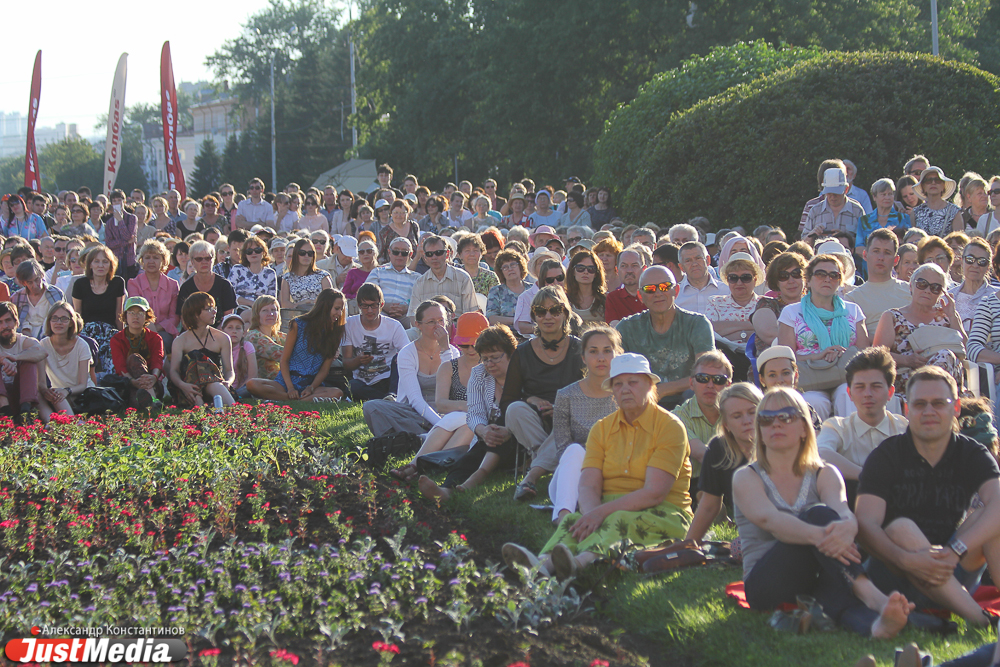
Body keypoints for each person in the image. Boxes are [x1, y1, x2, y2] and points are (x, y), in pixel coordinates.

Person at [733, 387, 916, 638]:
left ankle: (876, 628)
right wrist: (825, 537)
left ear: (804, 428)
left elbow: (843, 512)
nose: (775, 424)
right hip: (767, 585)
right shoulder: (746, 477)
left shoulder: (825, 473)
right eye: (766, 419)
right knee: (817, 515)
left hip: (819, 576)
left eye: (786, 416)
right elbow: (771, 521)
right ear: (760, 431)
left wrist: (848, 526)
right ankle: (873, 597)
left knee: (836, 586)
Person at [502, 353, 693, 581]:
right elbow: (588, 485)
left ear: (650, 386)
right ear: (612, 391)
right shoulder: (601, 428)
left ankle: (577, 564)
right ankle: (541, 565)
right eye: (618, 384)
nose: (625, 389)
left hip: (664, 510)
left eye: (633, 382)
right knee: (573, 521)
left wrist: (600, 514)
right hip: (610, 505)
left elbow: (655, 493)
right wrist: (592, 515)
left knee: (616, 520)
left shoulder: (670, 426)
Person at [857, 367, 1000, 627]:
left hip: (951, 569)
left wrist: (955, 550)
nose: (929, 411)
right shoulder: (886, 455)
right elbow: (866, 524)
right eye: (920, 404)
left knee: (990, 519)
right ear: (907, 410)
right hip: (896, 574)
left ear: (956, 407)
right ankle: (982, 621)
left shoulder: (972, 453)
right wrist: (905, 559)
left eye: (938, 403)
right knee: (901, 528)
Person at [416, 325, 519, 499]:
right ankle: (446, 490)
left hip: (517, 439)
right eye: (485, 359)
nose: (489, 364)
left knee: (503, 422)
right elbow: (474, 412)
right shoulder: (479, 373)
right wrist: (482, 430)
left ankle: (478, 476)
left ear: (511, 354)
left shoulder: (522, 373)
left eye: (495, 358)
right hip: (488, 439)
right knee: (470, 458)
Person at [503, 287, 586, 501]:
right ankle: (553, 460)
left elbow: (591, 393)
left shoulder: (580, 350)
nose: (548, 316)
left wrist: (561, 408)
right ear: (534, 317)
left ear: (565, 313)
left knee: (570, 418)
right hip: (536, 421)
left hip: (572, 418)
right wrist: (530, 399)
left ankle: (533, 474)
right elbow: (507, 400)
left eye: (555, 310)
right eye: (541, 311)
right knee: (514, 409)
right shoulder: (522, 352)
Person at [391, 312, 487, 481]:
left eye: (475, 344)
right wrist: (467, 406)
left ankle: (417, 467)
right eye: (465, 345)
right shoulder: (449, 367)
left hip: (475, 422)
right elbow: (441, 404)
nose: (471, 350)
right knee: (461, 421)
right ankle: (423, 468)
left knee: (466, 424)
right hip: (453, 420)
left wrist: (467, 409)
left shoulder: (491, 366)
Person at [543, 326, 621, 524]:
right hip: (573, 476)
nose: (601, 358)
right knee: (574, 449)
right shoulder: (566, 396)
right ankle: (563, 517)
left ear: (616, 355)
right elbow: (562, 449)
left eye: (607, 351)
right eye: (593, 351)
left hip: (615, 475)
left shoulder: (625, 395)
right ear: (584, 357)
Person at [777, 254, 869, 418]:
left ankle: (851, 435)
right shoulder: (791, 312)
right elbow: (785, 358)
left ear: (840, 281)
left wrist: (842, 353)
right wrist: (819, 355)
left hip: (845, 374)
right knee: (815, 402)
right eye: (820, 274)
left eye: (834, 275)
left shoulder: (853, 310)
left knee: (847, 394)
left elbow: (864, 352)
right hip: (810, 378)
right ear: (808, 280)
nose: (827, 279)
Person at [817, 346, 908, 509]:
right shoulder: (837, 427)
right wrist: (868, 476)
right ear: (850, 393)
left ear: (890, 392)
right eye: (860, 387)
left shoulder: (905, 430)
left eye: (876, 386)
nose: (867, 394)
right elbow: (820, 455)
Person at [616, 265, 715, 409]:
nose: (658, 293)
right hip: (640, 400)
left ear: (676, 290)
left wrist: (662, 390)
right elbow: (616, 375)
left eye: (664, 287)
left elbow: (706, 374)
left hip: (688, 401)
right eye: (650, 289)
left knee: (695, 393)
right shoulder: (626, 328)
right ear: (640, 296)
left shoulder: (697, 324)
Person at [363, 300, 459, 437]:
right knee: (371, 407)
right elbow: (415, 399)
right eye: (431, 322)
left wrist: (445, 349)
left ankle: (419, 438)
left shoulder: (452, 353)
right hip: (414, 413)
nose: (438, 326)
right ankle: (429, 437)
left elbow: (454, 389)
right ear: (418, 325)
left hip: (446, 413)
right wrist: (441, 425)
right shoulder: (407, 353)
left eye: (441, 321)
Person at [872, 262, 965, 399]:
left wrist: (952, 316)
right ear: (911, 286)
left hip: (947, 379)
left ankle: (935, 400)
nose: (927, 290)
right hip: (907, 382)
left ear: (941, 293)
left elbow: (964, 349)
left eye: (935, 288)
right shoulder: (892, 317)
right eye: (922, 284)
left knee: (946, 355)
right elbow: (878, 356)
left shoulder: (946, 316)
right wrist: (907, 360)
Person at [684, 382, 761, 544]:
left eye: (752, 412)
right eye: (737, 416)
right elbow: (709, 506)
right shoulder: (718, 449)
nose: (747, 421)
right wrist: (688, 545)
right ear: (726, 424)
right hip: (752, 534)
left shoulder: (779, 444)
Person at [246, 288, 349, 402]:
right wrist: (290, 388)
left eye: (341, 310)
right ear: (325, 306)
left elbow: (324, 370)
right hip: (287, 380)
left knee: (337, 392)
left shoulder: (335, 332)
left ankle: (291, 399)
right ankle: (295, 399)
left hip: (311, 383)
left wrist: (311, 387)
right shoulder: (298, 324)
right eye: (336, 309)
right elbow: (284, 360)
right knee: (252, 384)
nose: (339, 313)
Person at [672, 351, 732, 495]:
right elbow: (702, 455)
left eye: (718, 379)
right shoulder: (678, 417)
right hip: (691, 487)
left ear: (728, 385)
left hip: (733, 479)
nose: (710, 385)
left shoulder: (738, 412)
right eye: (702, 378)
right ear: (691, 383)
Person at [342, 283, 410, 401]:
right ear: (359, 305)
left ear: (381, 305)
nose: (369, 310)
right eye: (365, 306)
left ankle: (392, 394)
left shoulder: (394, 326)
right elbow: (346, 363)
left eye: (374, 306)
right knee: (352, 386)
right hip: (362, 381)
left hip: (388, 378)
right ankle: (387, 399)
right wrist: (358, 360)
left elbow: (409, 353)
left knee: (401, 357)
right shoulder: (349, 325)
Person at [168, 292, 236, 408]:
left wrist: (228, 382)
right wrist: (183, 385)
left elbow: (229, 370)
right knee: (195, 356)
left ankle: (224, 409)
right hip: (189, 387)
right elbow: (174, 371)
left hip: (213, 384)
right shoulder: (180, 341)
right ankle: (200, 406)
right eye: (209, 309)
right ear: (195, 314)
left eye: (214, 308)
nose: (214, 312)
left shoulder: (223, 338)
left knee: (215, 384)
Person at [71, 245, 125, 379]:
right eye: (96, 261)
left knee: (114, 348)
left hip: (109, 331)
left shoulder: (117, 283)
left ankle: (111, 384)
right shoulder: (80, 284)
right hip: (87, 331)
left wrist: (123, 337)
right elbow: (77, 314)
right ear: (90, 264)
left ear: (111, 265)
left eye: (105, 261)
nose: (101, 265)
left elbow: (119, 314)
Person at [707, 252, 761, 378]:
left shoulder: (766, 303)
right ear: (727, 280)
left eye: (745, 277)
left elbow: (770, 332)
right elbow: (710, 330)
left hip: (759, 356)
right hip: (726, 359)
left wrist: (728, 329)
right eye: (733, 278)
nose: (739, 283)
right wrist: (752, 325)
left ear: (755, 279)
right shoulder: (715, 302)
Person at [36, 302, 92, 421]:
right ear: (49, 321)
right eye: (54, 318)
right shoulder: (43, 345)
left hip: (81, 393)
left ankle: (73, 423)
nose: (59, 322)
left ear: (71, 322)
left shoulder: (82, 345)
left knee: (58, 395)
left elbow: (82, 385)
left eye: (64, 319)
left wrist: (66, 391)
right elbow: (41, 382)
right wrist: (46, 392)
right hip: (58, 394)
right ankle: (50, 423)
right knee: (38, 395)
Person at [109, 296, 165, 409]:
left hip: (152, 382)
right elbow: (120, 367)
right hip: (129, 382)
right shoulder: (117, 339)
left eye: (140, 313)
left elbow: (157, 361)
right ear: (125, 315)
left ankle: (151, 397)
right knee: (134, 358)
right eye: (131, 313)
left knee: (135, 358)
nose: (136, 316)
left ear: (146, 316)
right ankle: (153, 401)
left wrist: (154, 377)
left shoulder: (155, 338)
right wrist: (134, 382)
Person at [126, 240, 179, 354]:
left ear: (163, 261)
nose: (151, 261)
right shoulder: (134, 283)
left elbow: (174, 318)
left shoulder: (173, 285)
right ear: (142, 261)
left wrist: (157, 328)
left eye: (155, 258)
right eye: (147, 258)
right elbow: (136, 312)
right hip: (139, 330)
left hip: (164, 331)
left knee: (164, 340)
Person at [406, 236, 479, 318]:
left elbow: (471, 314)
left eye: (438, 253)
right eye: (429, 254)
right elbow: (413, 316)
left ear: (447, 254)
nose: (434, 257)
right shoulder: (419, 283)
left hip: (457, 324)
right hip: (428, 325)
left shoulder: (463, 278)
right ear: (425, 257)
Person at [752, 252, 806, 353]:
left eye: (796, 274)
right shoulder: (767, 304)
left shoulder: (814, 305)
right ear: (776, 281)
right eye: (783, 276)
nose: (791, 281)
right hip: (777, 359)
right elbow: (769, 334)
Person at [0, 302, 45, 422]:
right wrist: (3, 360)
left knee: (29, 359)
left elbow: (42, 352)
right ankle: (5, 412)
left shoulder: (24, 341)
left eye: (8, 320)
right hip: (3, 401)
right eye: (0, 322)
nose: (4, 326)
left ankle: (25, 413)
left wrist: (15, 357)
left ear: (16, 322)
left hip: (20, 397)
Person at [176, 241, 238, 327]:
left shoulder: (225, 285)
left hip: (220, 332)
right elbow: (184, 319)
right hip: (193, 331)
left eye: (207, 258)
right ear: (192, 262)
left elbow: (228, 318)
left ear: (213, 259)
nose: (204, 262)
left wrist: (213, 334)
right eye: (199, 259)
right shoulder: (186, 288)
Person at [801, 168, 865, 242]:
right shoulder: (815, 211)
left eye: (836, 193)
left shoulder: (857, 211)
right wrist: (812, 234)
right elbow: (803, 243)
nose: (832, 197)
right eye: (829, 193)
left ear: (846, 189)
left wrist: (846, 238)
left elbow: (865, 242)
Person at [365, 237, 418, 325]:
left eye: (404, 253)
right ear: (389, 252)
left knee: (417, 321)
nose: (400, 255)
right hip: (380, 311)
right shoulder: (377, 272)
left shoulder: (416, 278)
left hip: (406, 315)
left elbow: (420, 300)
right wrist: (383, 305)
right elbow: (368, 293)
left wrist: (407, 308)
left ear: (410, 254)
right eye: (396, 252)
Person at [856, 179, 910, 262]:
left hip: (895, 264)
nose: (887, 198)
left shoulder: (903, 218)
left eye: (890, 194)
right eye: (883, 194)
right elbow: (859, 247)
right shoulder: (864, 220)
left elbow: (908, 245)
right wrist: (875, 257)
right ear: (874, 197)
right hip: (869, 265)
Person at [949, 238, 994, 332]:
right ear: (962, 261)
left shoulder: (997, 296)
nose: (975, 265)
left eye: (982, 261)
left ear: (988, 266)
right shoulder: (948, 298)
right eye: (970, 259)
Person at [11, 260, 64, 339]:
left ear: (42, 275)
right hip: (24, 338)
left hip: (51, 336)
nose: (35, 285)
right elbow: (16, 323)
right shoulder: (17, 298)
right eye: (30, 282)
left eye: (37, 279)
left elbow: (62, 318)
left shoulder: (56, 294)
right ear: (24, 283)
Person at [280, 239, 334, 312]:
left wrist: (316, 303)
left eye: (310, 253)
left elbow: (330, 300)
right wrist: (300, 305)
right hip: (297, 315)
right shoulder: (287, 278)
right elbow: (284, 304)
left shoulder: (323, 276)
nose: (306, 256)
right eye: (302, 253)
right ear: (296, 254)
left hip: (320, 314)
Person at [228, 235, 278, 314]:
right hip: (240, 309)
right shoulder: (237, 270)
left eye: (257, 250)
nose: (253, 253)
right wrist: (252, 303)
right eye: (249, 251)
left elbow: (271, 300)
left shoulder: (270, 273)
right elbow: (230, 295)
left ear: (264, 252)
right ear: (245, 254)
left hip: (262, 311)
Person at [675, 241, 728, 313]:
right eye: (688, 261)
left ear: (708, 260)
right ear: (681, 267)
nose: (694, 264)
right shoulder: (675, 295)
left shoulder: (727, 291)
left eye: (698, 258)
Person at [911, 167, 962, 237]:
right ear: (923, 186)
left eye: (937, 180)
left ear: (943, 186)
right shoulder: (916, 212)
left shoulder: (954, 211)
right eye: (928, 180)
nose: (933, 183)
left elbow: (959, 239)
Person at [244, 295, 285, 381]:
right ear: (257, 314)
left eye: (273, 310)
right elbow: (281, 354)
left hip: (282, 382)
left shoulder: (278, 336)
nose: (270, 314)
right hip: (263, 384)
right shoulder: (253, 336)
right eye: (265, 310)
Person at [486, 249, 530, 328]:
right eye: (505, 267)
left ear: (520, 267)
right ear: (501, 272)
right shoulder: (496, 291)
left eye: (513, 265)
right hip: (505, 333)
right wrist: (516, 321)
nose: (510, 269)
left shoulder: (532, 289)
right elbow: (492, 319)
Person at [604, 248, 647, 326]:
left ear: (644, 269)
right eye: (624, 266)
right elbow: (615, 327)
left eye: (634, 266)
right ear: (617, 270)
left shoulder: (653, 293)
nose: (629, 270)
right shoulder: (613, 298)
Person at [220, 314, 257, 398]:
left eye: (238, 328)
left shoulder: (247, 346)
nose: (234, 331)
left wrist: (236, 391)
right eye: (230, 327)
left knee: (254, 384)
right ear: (222, 332)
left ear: (243, 333)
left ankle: (234, 396)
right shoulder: (217, 347)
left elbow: (253, 376)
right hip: (221, 388)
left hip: (242, 388)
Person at [566, 249, 606, 323]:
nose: (585, 272)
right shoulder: (564, 299)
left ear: (596, 273)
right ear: (573, 271)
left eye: (591, 269)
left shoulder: (606, 299)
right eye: (580, 268)